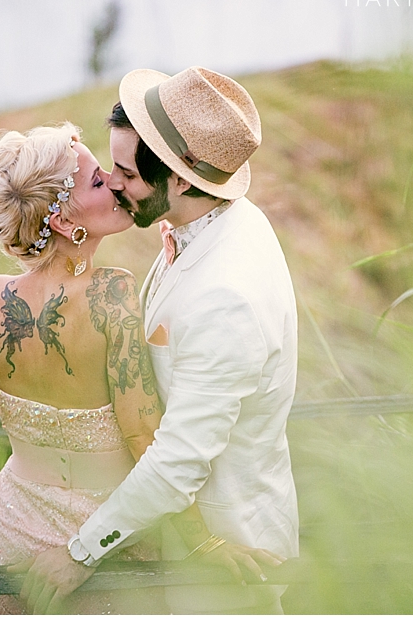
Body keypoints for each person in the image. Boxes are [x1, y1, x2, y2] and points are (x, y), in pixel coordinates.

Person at [0, 122, 273, 614]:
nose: (117, 183)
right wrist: (204, 541)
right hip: (105, 542)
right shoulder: (113, 296)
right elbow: (143, 434)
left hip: (13, 535)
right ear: (62, 220)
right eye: (100, 182)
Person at [19, 67, 300, 615]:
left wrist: (79, 554)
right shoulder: (213, 222)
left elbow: (178, 463)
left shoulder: (227, 297)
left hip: (227, 563)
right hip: (169, 542)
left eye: (125, 171)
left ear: (182, 178)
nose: (113, 182)